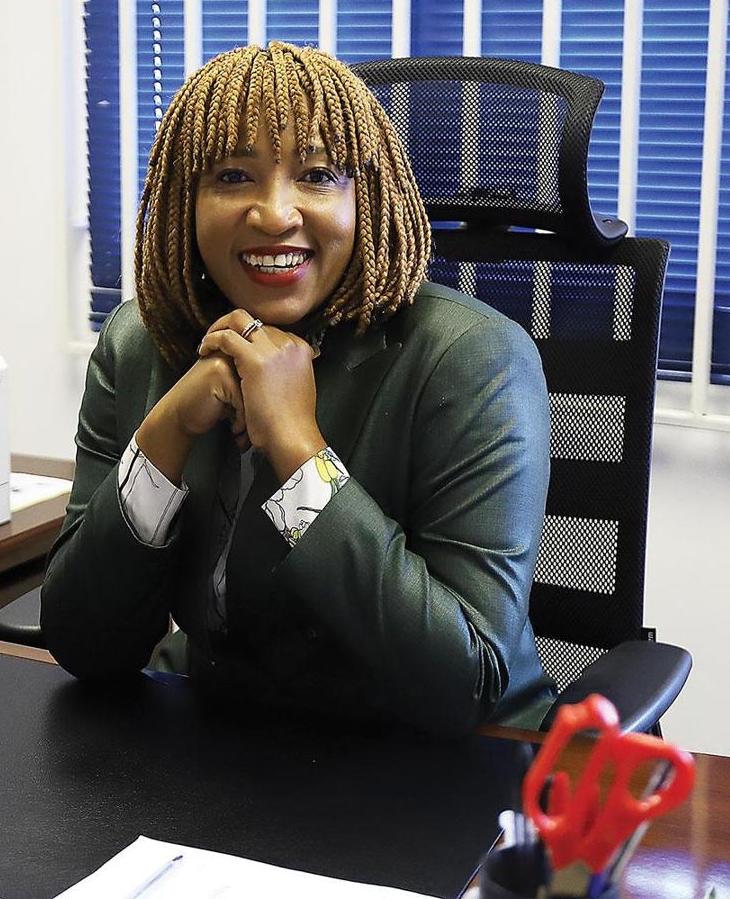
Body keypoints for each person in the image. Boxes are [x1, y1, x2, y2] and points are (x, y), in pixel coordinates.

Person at [42, 42, 554, 736]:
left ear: (365, 198)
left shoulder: (472, 357)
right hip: (230, 749)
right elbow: (86, 648)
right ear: (185, 200)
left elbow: (464, 688)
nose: (275, 214)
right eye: (232, 176)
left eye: (316, 176)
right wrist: (166, 431)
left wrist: (297, 450)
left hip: (443, 765)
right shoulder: (141, 343)